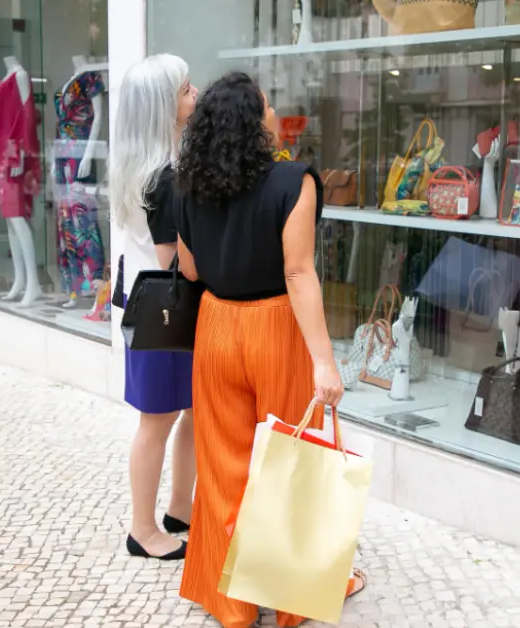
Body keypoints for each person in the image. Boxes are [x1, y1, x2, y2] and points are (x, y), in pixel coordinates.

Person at [171, 71, 365, 627]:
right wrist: (325, 361)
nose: (275, 110)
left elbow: (190, 268)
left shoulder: (186, 184)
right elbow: (299, 271)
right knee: (291, 458)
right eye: (268, 103)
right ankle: (289, 600)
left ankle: (232, 605)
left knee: (224, 462)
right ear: (257, 121)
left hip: (216, 324)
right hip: (276, 325)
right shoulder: (293, 181)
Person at [108, 53, 197, 561]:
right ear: (164, 105)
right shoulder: (162, 177)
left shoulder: (139, 166)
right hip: (165, 312)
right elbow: (176, 261)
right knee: (158, 420)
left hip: (149, 310)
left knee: (186, 411)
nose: (195, 94)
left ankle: (179, 509)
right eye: (186, 89)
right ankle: (144, 528)